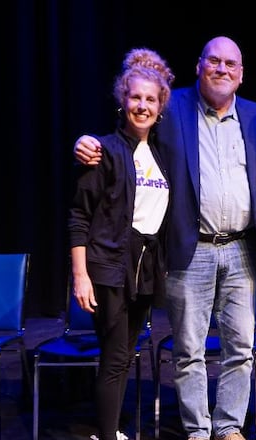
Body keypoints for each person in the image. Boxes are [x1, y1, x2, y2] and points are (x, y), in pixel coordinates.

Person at [72, 36, 256, 440]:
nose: (221, 69)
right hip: (191, 249)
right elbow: (131, 126)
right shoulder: (172, 109)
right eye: (213, 61)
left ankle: (228, 426)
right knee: (189, 351)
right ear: (199, 66)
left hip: (243, 250)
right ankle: (198, 430)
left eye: (230, 64)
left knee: (241, 348)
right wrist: (86, 143)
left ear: (241, 75)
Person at [68, 47, 174, 440]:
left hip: (143, 269)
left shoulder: (161, 155)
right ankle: (107, 434)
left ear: (160, 106)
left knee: (124, 354)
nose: (142, 106)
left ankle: (108, 431)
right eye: (135, 97)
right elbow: (79, 216)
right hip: (108, 267)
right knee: (114, 357)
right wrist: (80, 275)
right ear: (122, 100)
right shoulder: (103, 151)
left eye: (150, 99)